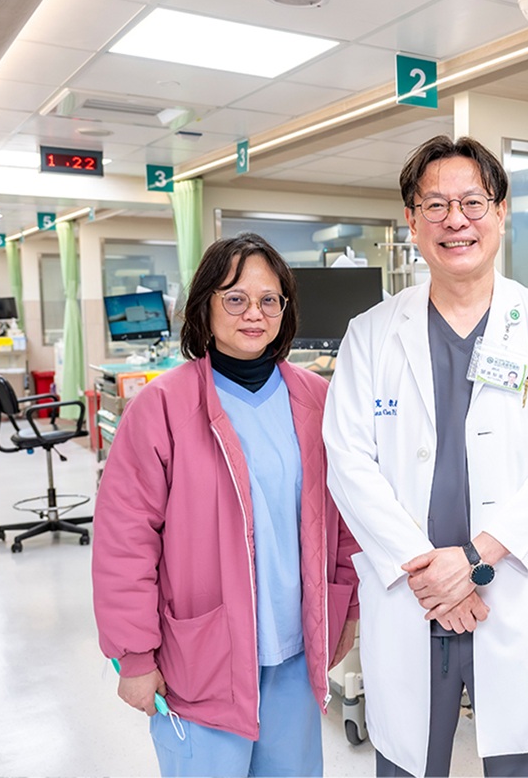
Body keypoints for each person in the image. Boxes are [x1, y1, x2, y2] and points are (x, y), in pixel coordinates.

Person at [322, 135, 528, 778]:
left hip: (510, 588)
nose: (456, 221)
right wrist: (434, 577)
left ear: (501, 212)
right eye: (436, 205)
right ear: (411, 220)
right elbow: (348, 463)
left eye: (473, 202)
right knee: (408, 763)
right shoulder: (370, 333)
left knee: (525, 763)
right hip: (414, 596)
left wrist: (474, 559)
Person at [92, 233, 360, 777]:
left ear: (285, 309)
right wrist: (134, 656)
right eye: (235, 298)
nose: (253, 314)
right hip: (201, 659)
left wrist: (346, 613)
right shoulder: (161, 408)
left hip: (294, 651)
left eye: (268, 300)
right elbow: (125, 542)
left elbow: (345, 522)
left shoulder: (318, 400)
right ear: (204, 307)